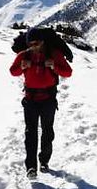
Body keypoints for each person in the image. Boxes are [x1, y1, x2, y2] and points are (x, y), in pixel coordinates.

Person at [9, 28, 72, 178]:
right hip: (30, 99)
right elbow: (13, 71)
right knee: (30, 133)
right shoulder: (24, 55)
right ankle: (31, 167)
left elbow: (68, 72)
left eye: (36, 43)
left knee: (47, 132)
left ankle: (44, 161)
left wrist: (54, 66)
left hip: (48, 100)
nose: (33, 46)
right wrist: (22, 67)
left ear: (43, 41)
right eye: (30, 44)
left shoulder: (54, 54)